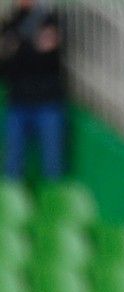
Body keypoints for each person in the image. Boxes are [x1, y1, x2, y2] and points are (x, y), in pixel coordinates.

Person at [0, 0, 68, 180]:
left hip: (48, 102)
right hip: (18, 102)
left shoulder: (49, 20)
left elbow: (47, 60)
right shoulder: (11, 24)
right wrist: (30, 49)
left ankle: (51, 202)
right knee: (12, 166)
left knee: (52, 165)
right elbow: (6, 68)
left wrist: (18, 51)